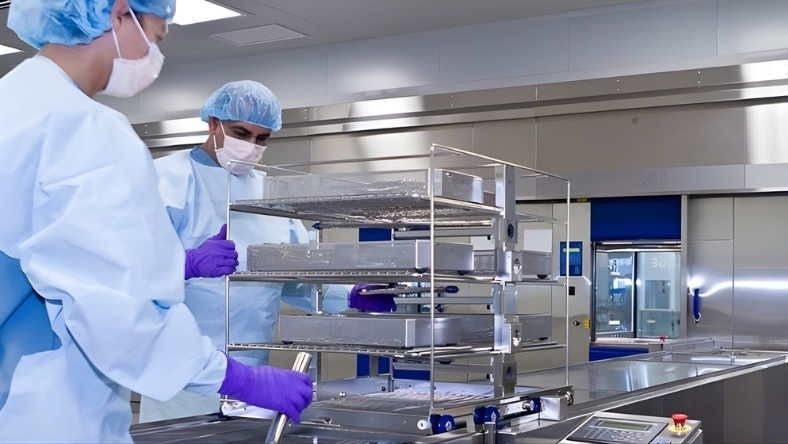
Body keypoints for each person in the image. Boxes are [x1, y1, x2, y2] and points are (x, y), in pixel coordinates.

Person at [0, 1, 311, 442]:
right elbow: (117, 307)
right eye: (157, 39)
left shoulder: (16, 105)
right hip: (48, 405)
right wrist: (239, 379)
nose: (154, 58)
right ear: (120, 14)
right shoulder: (82, 128)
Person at [141, 80, 350, 422]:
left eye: (262, 138)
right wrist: (186, 264)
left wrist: (353, 294)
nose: (251, 146)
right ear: (213, 123)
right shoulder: (163, 180)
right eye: (241, 133)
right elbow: (123, 272)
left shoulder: (267, 192)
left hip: (254, 383)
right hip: (180, 378)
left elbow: (300, 277)